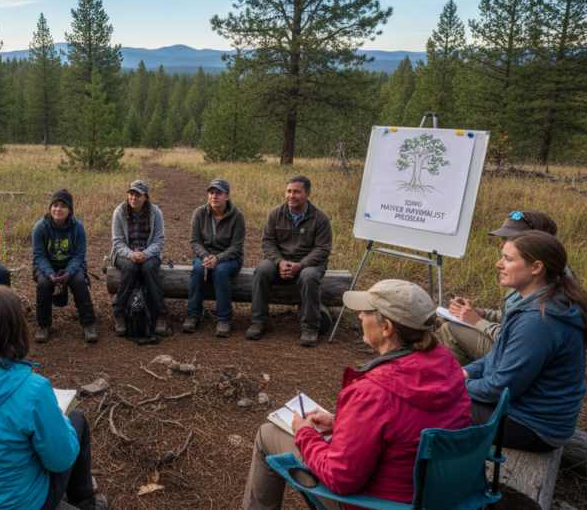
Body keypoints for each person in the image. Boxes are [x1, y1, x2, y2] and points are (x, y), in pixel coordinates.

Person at [243, 280, 472, 510]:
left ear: (386, 328)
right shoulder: (447, 364)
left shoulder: (373, 393)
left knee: (267, 434)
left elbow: (340, 479)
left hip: (380, 504)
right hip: (438, 497)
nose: (360, 316)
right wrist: (341, 422)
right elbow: (403, 426)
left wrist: (305, 433)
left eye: (367, 311)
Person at [0, 285, 109, 510]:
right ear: (15, 330)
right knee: (77, 419)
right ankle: (84, 501)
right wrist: (59, 421)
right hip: (15, 504)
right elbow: (60, 460)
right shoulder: (33, 389)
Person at [464, 230, 587, 452]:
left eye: (508, 259)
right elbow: (499, 356)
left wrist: (454, 385)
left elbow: (499, 389)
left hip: (533, 426)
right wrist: (465, 373)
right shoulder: (542, 301)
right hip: (533, 414)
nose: (499, 265)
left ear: (536, 268)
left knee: (431, 403)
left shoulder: (537, 321)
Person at [439, 211, 561, 366]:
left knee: (450, 330)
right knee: (442, 320)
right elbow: (512, 318)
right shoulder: (529, 274)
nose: (501, 244)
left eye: (509, 239)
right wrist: (482, 313)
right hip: (517, 352)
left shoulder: (546, 286)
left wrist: (477, 321)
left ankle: (460, 381)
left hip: (521, 359)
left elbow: (520, 337)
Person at [249, 175, 333, 346]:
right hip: (280, 260)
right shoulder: (276, 214)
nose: (291, 196)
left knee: (309, 277)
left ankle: (310, 328)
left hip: (310, 263)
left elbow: (323, 249)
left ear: (308, 194)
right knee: (261, 272)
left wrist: (301, 265)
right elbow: (267, 242)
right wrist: (280, 261)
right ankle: (258, 321)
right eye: (288, 191)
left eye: (297, 192)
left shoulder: (320, 218)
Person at [32, 189, 97, 344]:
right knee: (43, 283)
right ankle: (43, 326)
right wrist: (49, 273)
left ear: (70, 210)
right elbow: (39, 255)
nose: (58, 209)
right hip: (46, 265)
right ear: (50, 207)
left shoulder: (78, 227)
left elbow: (79, 255)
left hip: (71, 264)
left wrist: (69, 272)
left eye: (63, 206)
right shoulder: (40, 227)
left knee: (80, 281)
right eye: (55, 205)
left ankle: (88, 324)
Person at [184, 178, 245, 337]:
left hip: (230, 258)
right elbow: (195, 241)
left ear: (227, 196)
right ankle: (193, 315)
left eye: (219, 193)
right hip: (204, 255)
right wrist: (205, 256)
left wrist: (218, 258)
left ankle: (224, 318)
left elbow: (236, 247)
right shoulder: (200, 213)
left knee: (220, 271)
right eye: (211, 193)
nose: (214, 196)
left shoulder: (237, 216)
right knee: (198, 268)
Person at [110, 179, 168, 336]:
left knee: (149, 268)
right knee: (131, 267)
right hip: (124, 253)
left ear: (146, 197)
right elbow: (117, 242)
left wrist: (146, 254)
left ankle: (161, 315)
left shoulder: (155, 212)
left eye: (138, 195)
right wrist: (131, 254)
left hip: (149, 253)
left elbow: (158, 240)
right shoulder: (119, 212)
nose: (133, 198)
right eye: (131, 194)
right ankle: (120, 314)